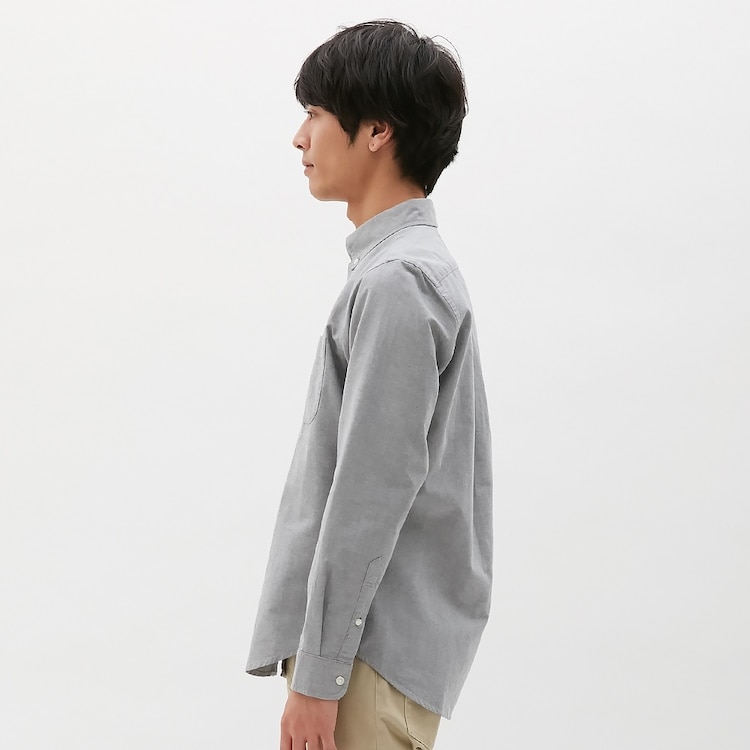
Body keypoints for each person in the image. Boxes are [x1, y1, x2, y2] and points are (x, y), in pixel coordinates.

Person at [246, 20, 493, 750]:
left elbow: (371, 491)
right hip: (367, 661)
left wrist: (319, 678)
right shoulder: (403, 272)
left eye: (316, 113)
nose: (300, 137)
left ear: (378, 130)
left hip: (362, 666)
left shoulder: (396, 283)